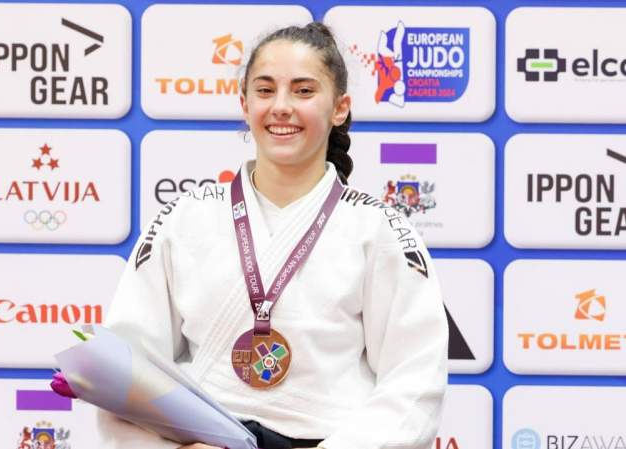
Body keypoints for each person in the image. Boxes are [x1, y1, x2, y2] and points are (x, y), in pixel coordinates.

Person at [97, 22, 448, 449]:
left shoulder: (378, 229)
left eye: (303, 91)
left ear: (339, 108)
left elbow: (415, 382)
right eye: (265, 91)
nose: (281, 107)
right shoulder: (185, 218)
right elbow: (126, 365)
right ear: (244, 104)